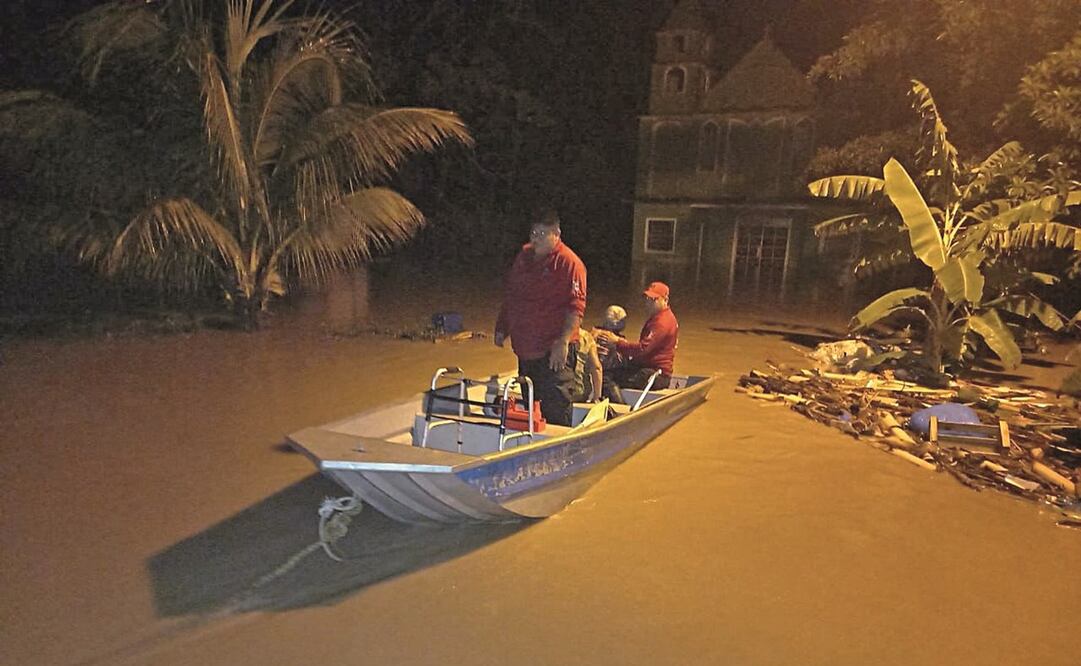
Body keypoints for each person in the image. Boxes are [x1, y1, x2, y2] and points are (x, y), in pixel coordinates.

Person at [494, 209, 587, 426]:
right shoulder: (524, 257)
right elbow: (513, 295)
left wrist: (563, 342)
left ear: (557, 234)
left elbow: (576, 308)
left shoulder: (570, 263)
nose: (535, 239)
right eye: (533, 233)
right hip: (526, 350)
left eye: (542, 234)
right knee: (531, 407)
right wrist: (502, 327)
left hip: (553, 351)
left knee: (555, 405)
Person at [595, 282, 678, 402]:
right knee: (619, 369)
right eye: (647, 299)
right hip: (650, 368)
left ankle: (620, 409)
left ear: (665, 300)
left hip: (655, 374)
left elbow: (642, 349)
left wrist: (617, 342)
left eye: (653, 299)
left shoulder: (662, 322)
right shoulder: (660, 317)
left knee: (606, 378)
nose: (648, 303)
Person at [572, 326, 603, 403]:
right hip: (579, 391)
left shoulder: (554, 334)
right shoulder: (586, 337)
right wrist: (597, 397)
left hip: (557, 389)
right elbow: (597, 368)